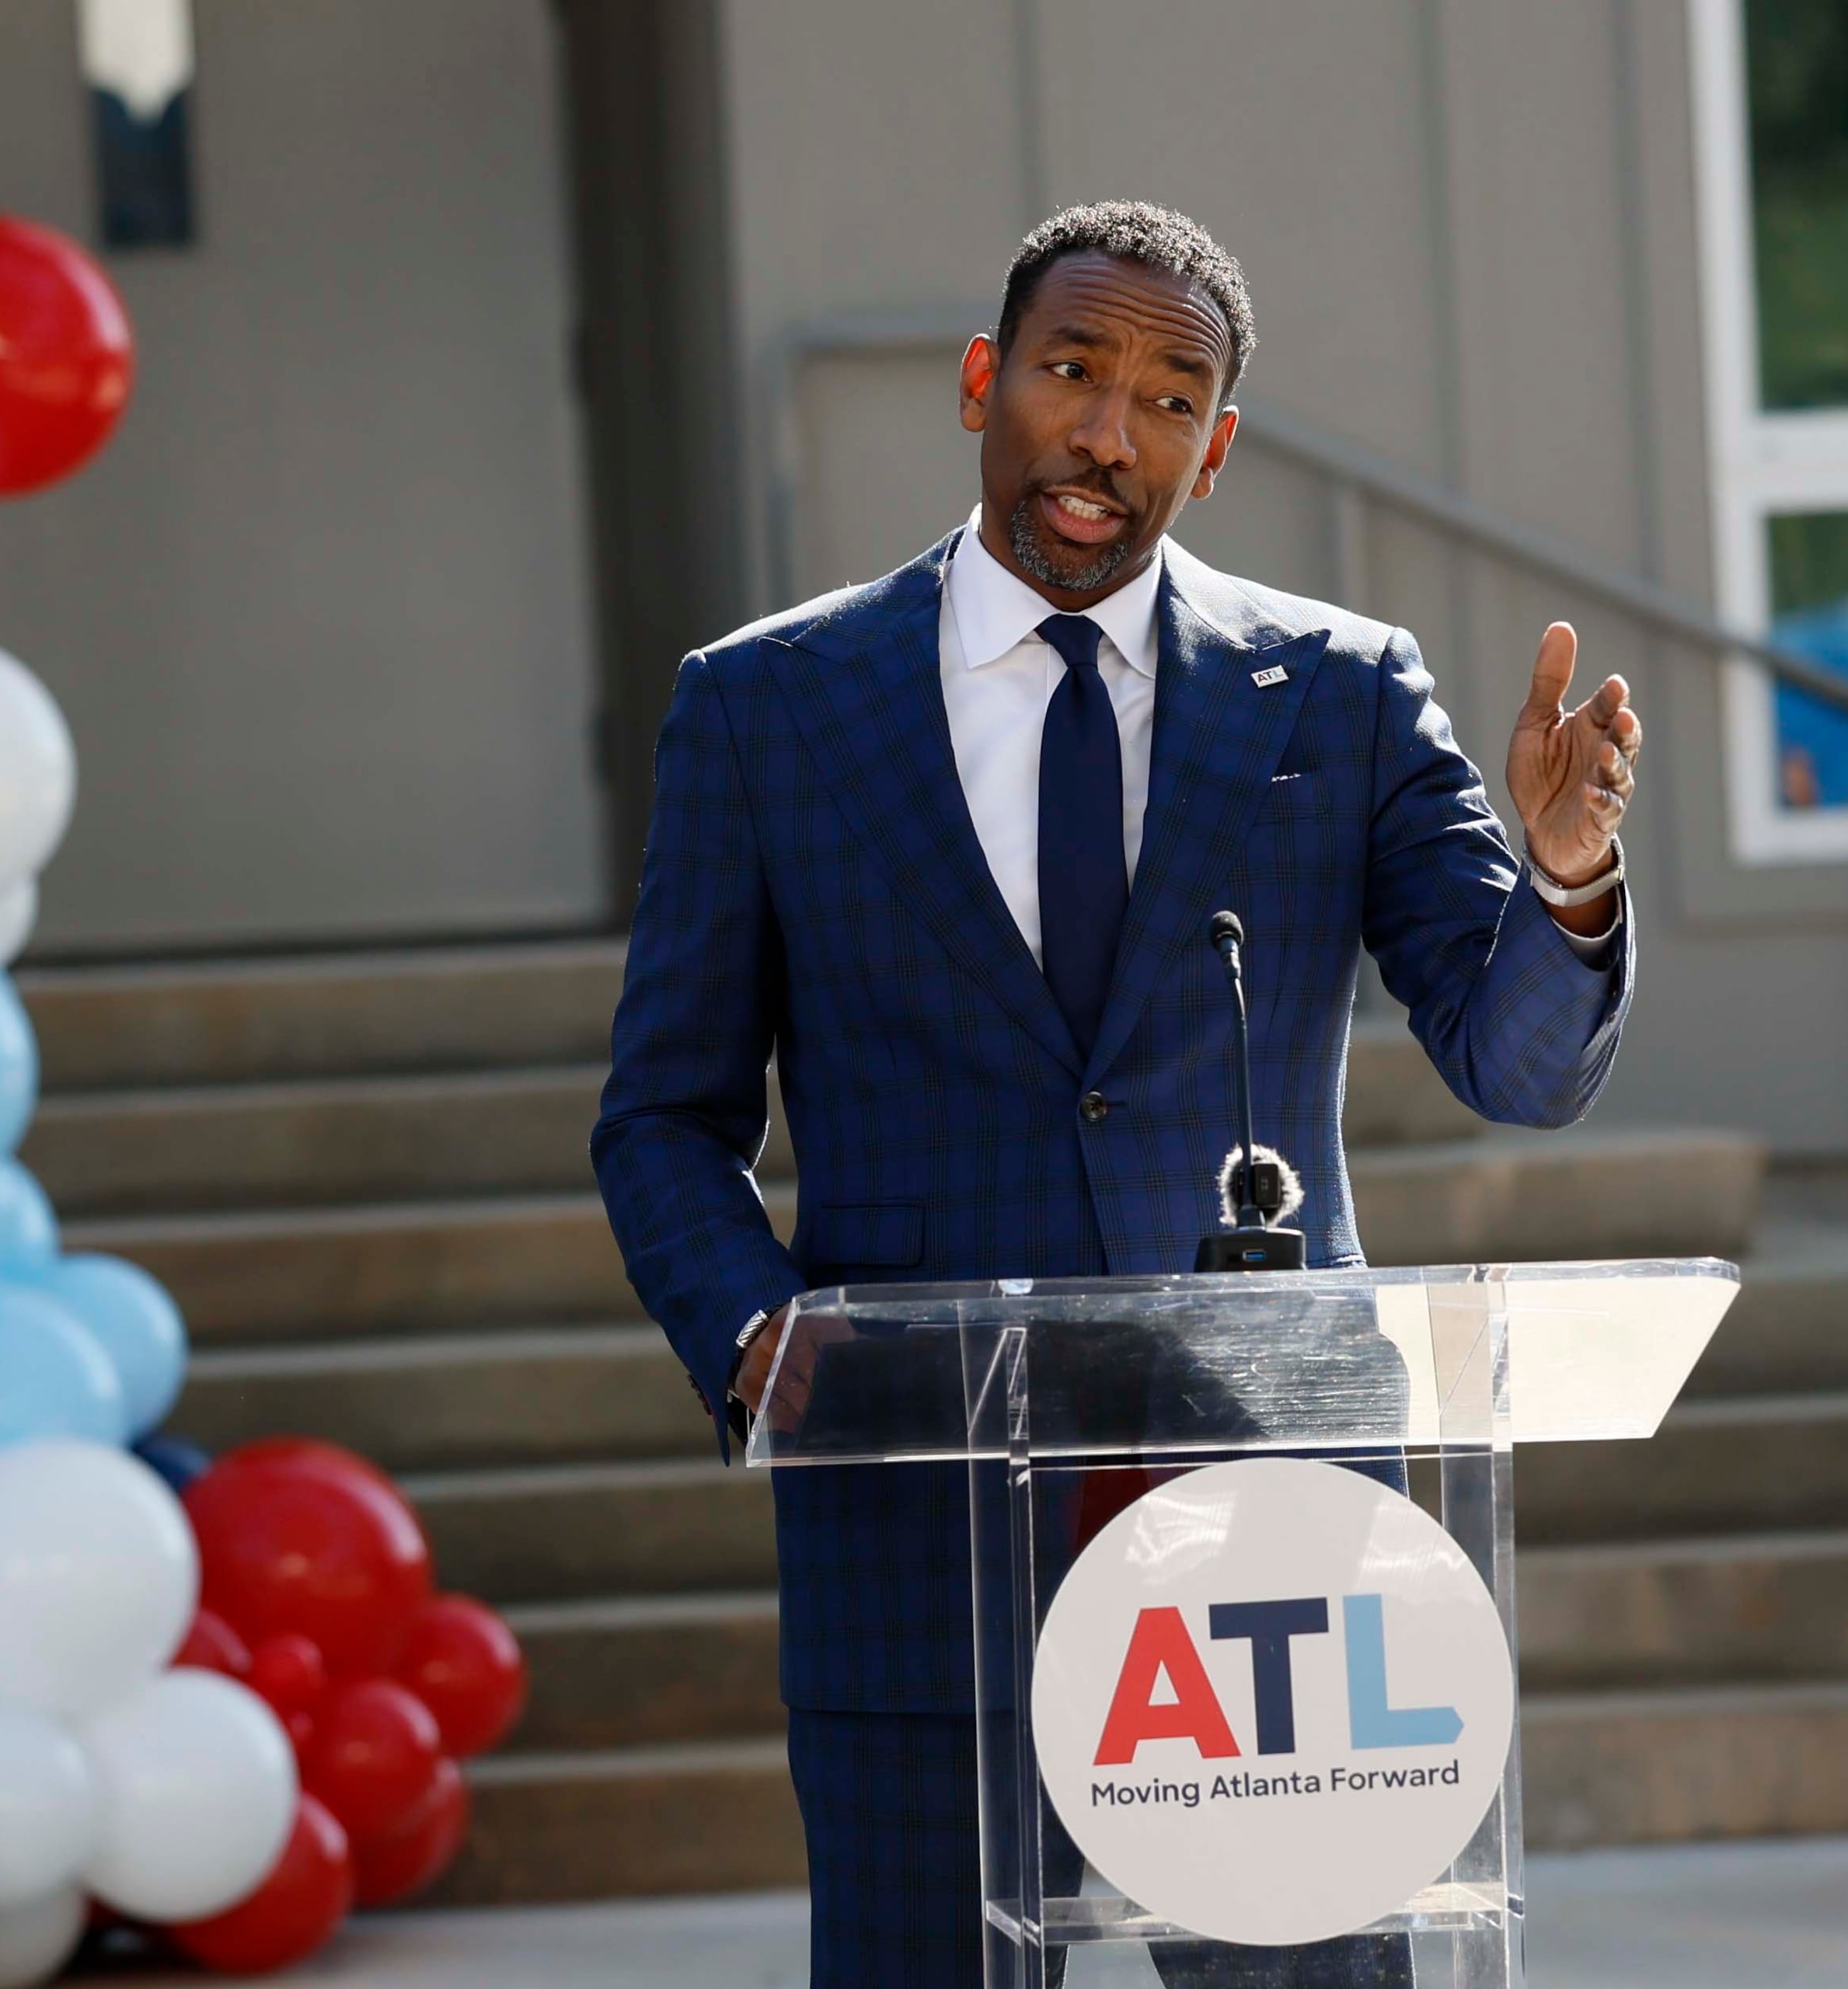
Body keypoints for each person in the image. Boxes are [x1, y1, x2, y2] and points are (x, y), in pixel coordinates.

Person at [592, 200, 1638, 1989]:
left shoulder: (1343, 694)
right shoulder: (768, 708)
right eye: (1073, 372)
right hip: (922, 1543)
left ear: (1215, 448)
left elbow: (1518, 1063)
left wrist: (1560, 881)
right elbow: (663, 1116)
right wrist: (761, 1336)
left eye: (1169, 397)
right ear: (986, 381)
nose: (1107, 433)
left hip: (1274, 1565)